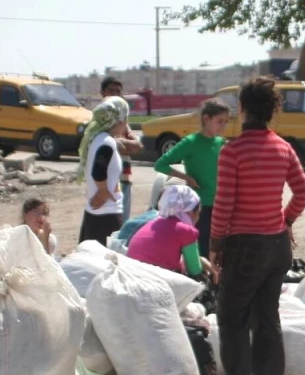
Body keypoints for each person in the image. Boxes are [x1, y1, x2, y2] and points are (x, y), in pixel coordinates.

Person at [210, 77, 305, 375]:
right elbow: (303, 191)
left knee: (232, 319)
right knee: (268, 318)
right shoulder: (283, 147)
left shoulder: (233, 150)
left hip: (244, 247)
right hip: (277, 246)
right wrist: (286, 220)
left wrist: (215, 244)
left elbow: (224, 204)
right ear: (271, 111)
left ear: (242, 109)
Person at [153, 98, 231, 256]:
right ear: (206, 118)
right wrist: (187, 177)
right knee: (202, 249)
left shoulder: (221, 143)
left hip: (221, 206)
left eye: (226, 122)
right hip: (199, 208)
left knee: (221, 250)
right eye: (220, 121)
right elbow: (160, 164)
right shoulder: (190, 142)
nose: (223, 126)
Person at [127, 184, 213, 278]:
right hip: (152, 280)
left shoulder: (153, 223)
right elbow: (194, 270)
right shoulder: (186, 231)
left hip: (130, 273)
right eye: (198, 213)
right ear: (190, 212)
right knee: (201, 280)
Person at [77, 96, 130, 247]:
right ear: (118, 120)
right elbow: (98, 170)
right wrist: (104, 191)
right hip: (106, 217)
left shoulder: (97, 138)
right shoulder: (107, 142)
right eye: (126, 119)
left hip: (95, 214)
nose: (126, 124)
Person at [100, 77, 143, 219]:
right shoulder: (99, 119)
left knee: (122, 225)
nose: (114, 94)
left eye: (117, 91)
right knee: (108, 223)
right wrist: (121, 145)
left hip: (125, 177)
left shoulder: (122, 119)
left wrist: (119, 143)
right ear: (102, 92)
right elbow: (106, 145)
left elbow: (138, 146)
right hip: (106, 181)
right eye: (110, 91)